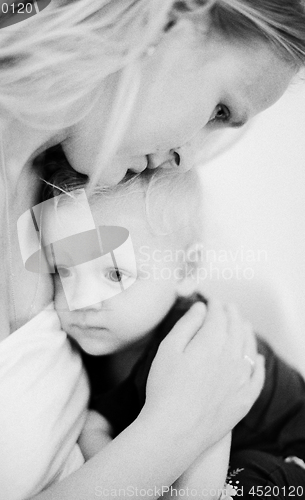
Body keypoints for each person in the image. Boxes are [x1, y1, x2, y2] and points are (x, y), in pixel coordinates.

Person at [0, 1, 305, 499]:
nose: (186, 156)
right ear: (171, 18)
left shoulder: (54, 184)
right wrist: (177, 430)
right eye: (220, 110)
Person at [41, 163, 305, 499]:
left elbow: (207, 435)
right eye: (63, 271)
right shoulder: (103, 337)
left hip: (284, 451)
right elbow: (98, 425)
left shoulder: (194, 343)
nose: (82, 301)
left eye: (116, 275)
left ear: (185, 270)